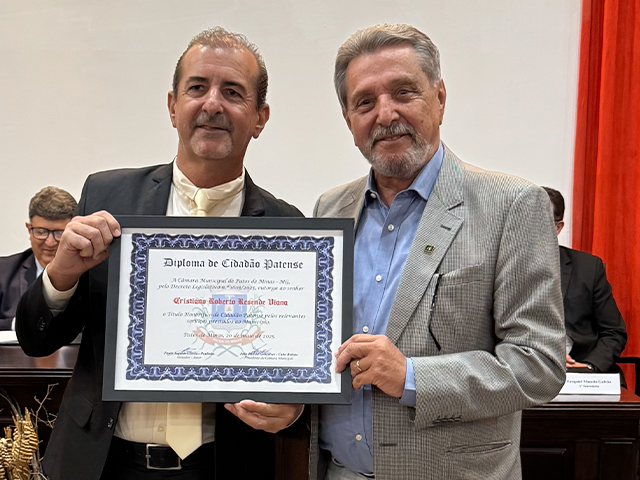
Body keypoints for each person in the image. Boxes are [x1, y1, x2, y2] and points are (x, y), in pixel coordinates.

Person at [16, 27, 304, 480]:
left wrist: (294, 407)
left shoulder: (288, 230)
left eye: (232, 92)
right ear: (173, 106)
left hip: (223, 467)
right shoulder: (108, 197)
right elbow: (37, 341)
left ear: (259, 117)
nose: (212, 104)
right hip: (101, 463)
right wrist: (61, 276)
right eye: (197, 88)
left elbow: (296, 373)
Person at [312, 24, 566, 480]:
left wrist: (412, 376)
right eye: (364, 102)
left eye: (403, 92)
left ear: (440, 98)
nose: (385, 113)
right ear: (348, 120)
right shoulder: (330, 209)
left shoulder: (512, 205)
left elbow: (538, 364)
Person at [542, 186, 627, 376]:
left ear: (557, 227)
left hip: (581, 371)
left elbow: (613, 332)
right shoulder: (502, 268)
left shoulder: (588, 268)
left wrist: (589, 366)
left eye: (538, 221)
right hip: (524, 374)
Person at [0, 186, 76, 330]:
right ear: (29, 229)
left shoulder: (92, 274)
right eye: (41, 232)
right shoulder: (3, 272)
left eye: (60, 233)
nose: (50, 242)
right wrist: (17, 324)